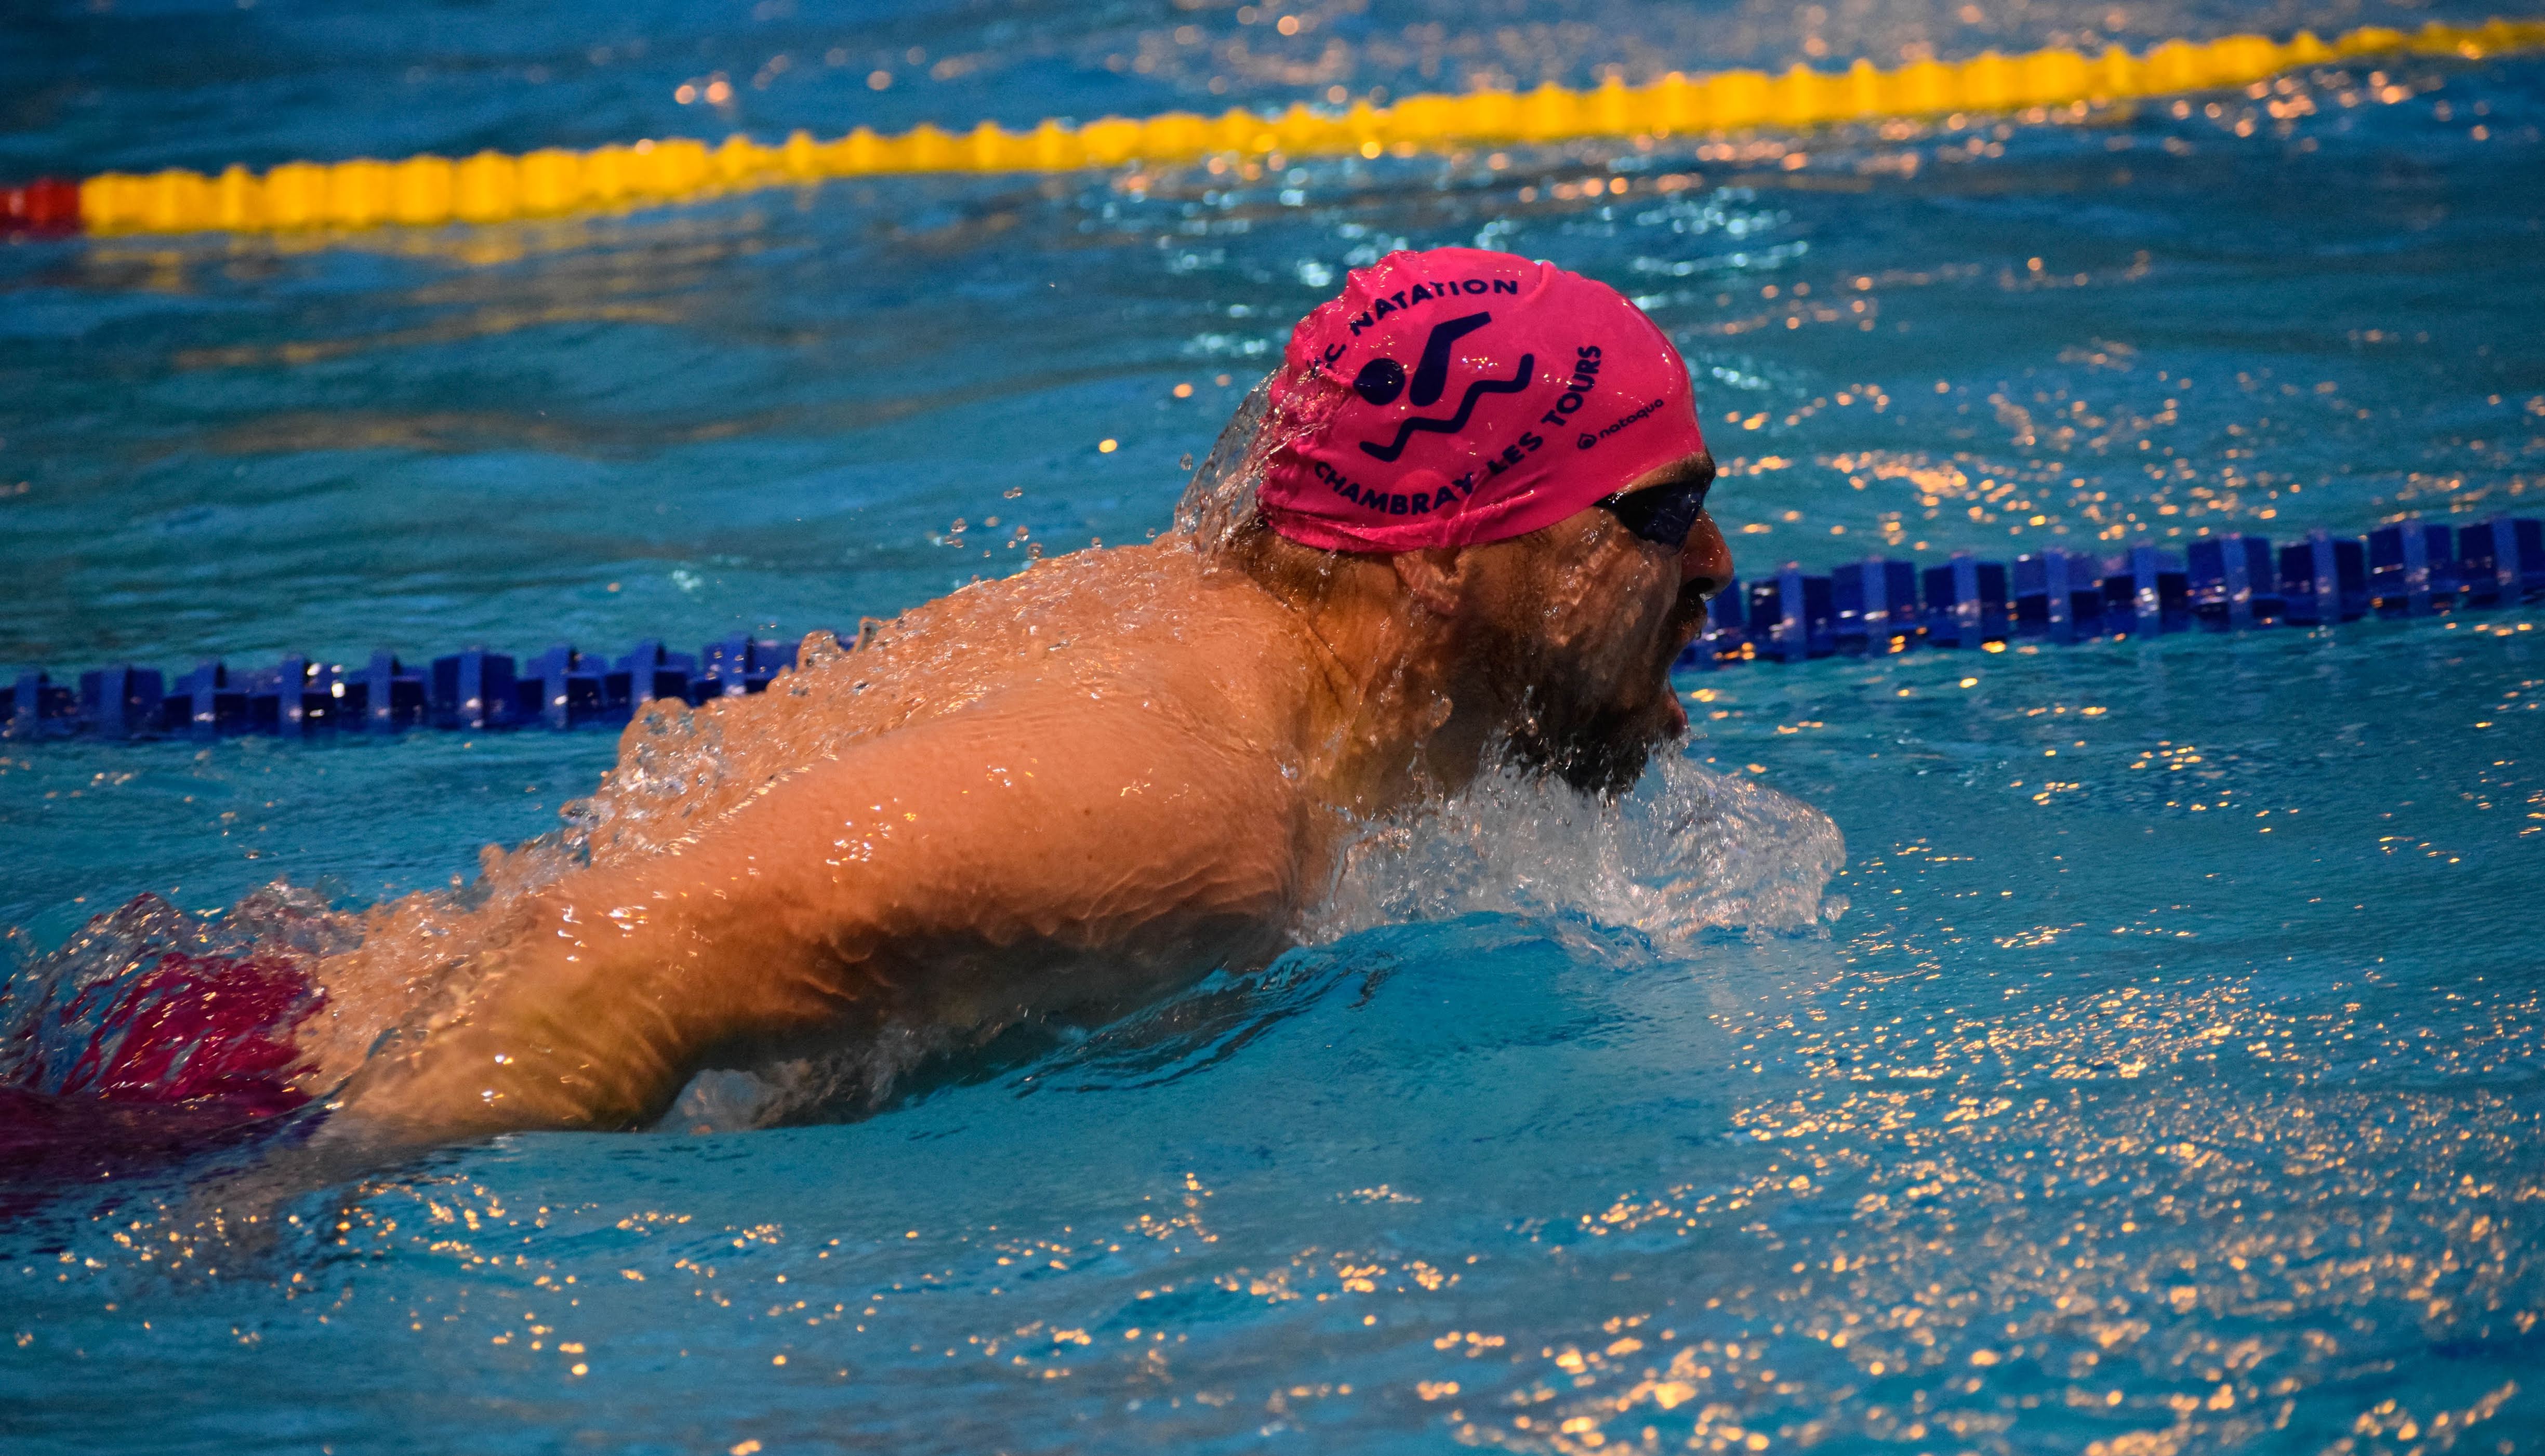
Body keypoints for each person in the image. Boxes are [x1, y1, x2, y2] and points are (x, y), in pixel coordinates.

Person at [197, 247, 1733, 1142]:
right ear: (1446, 550)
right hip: (226, 1119)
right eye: (1658, 515)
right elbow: (587, 978)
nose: (1717, 567)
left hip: (253, 1028)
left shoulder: (1192, 620)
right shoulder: (1193, 810)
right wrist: (266, 1230)